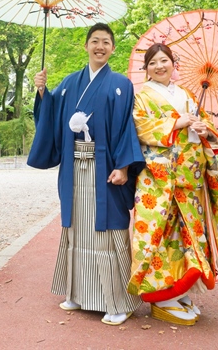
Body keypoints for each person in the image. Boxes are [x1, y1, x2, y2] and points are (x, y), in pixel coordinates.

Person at [27, 23, 145, 326]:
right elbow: (51, 115)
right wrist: (42, 92)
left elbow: (126, 128)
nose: (100, 46)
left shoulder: (121, 84)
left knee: (107, 229)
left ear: (113, 48)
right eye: (94, 41)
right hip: (74, 168)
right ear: (86, 46)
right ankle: (78, 293)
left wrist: (123, 166)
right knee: (77, 227)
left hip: (106, 170)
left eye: (106, 42)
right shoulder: (69, 83)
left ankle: (119, 302)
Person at [127, 42, 218, 326]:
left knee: (189, 235)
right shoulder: (141, 97)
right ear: (146, 69)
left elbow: (207, 129)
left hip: (190, 177)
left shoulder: (188, 94)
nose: (159, 66)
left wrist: (204, 129)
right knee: (160, 233)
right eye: (153, 63)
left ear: (173, 64)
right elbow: (140, 127)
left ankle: (179, 291)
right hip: (158, 180)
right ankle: (160, 296)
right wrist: (175, 123)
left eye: (164, 61)